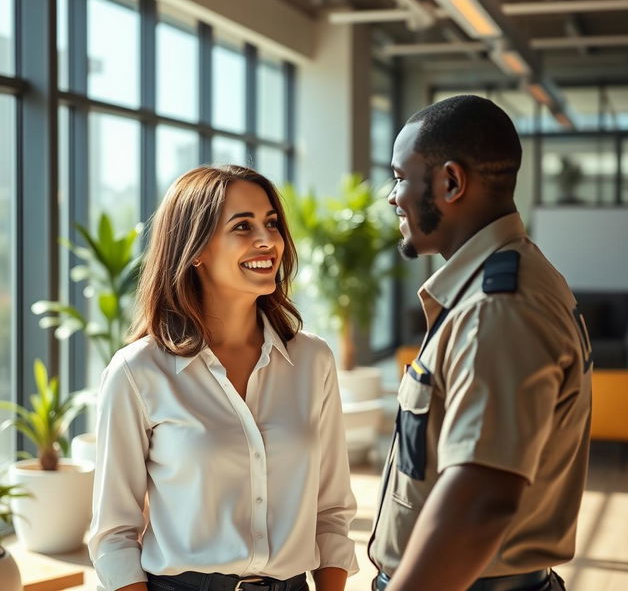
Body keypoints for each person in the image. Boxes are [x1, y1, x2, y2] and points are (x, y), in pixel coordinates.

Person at [89, 165, 358, 591]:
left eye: (271, 223)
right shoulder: (137, 372)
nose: (267, 240)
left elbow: (331, 512)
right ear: (195, 249)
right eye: (242, 226)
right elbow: (114, 535)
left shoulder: (312, 360)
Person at [368, 95, 592, 591]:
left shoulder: (496, 307)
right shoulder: (498, 283)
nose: (392, 196)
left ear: (451, 182)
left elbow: (481, 500)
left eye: (401, 176)